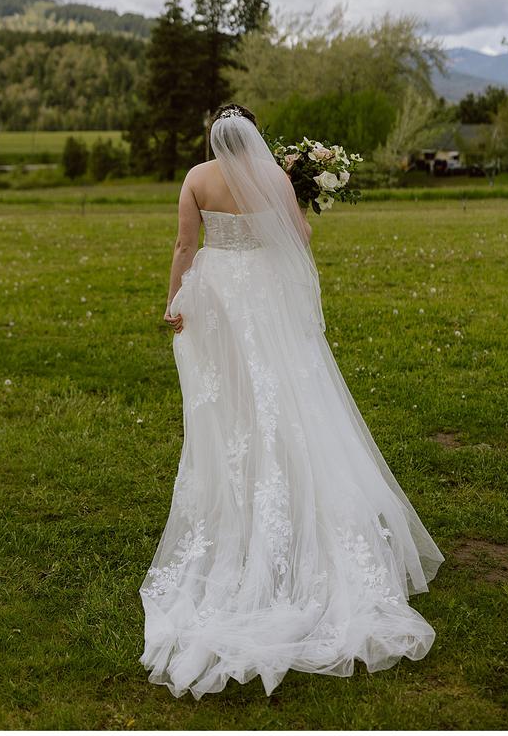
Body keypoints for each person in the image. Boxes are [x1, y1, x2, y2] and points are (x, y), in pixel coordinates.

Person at [141, 103, 442, 699]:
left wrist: (173, 301)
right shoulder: (276, 177)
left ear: (213, 136)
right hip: (266, 297)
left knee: (228, 398)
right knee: (287, 392)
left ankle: (241, 487)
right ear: (253, 134)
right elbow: (299, 236)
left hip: (219, 297)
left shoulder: (197, 178)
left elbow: (183, 244)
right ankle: (293, 488)